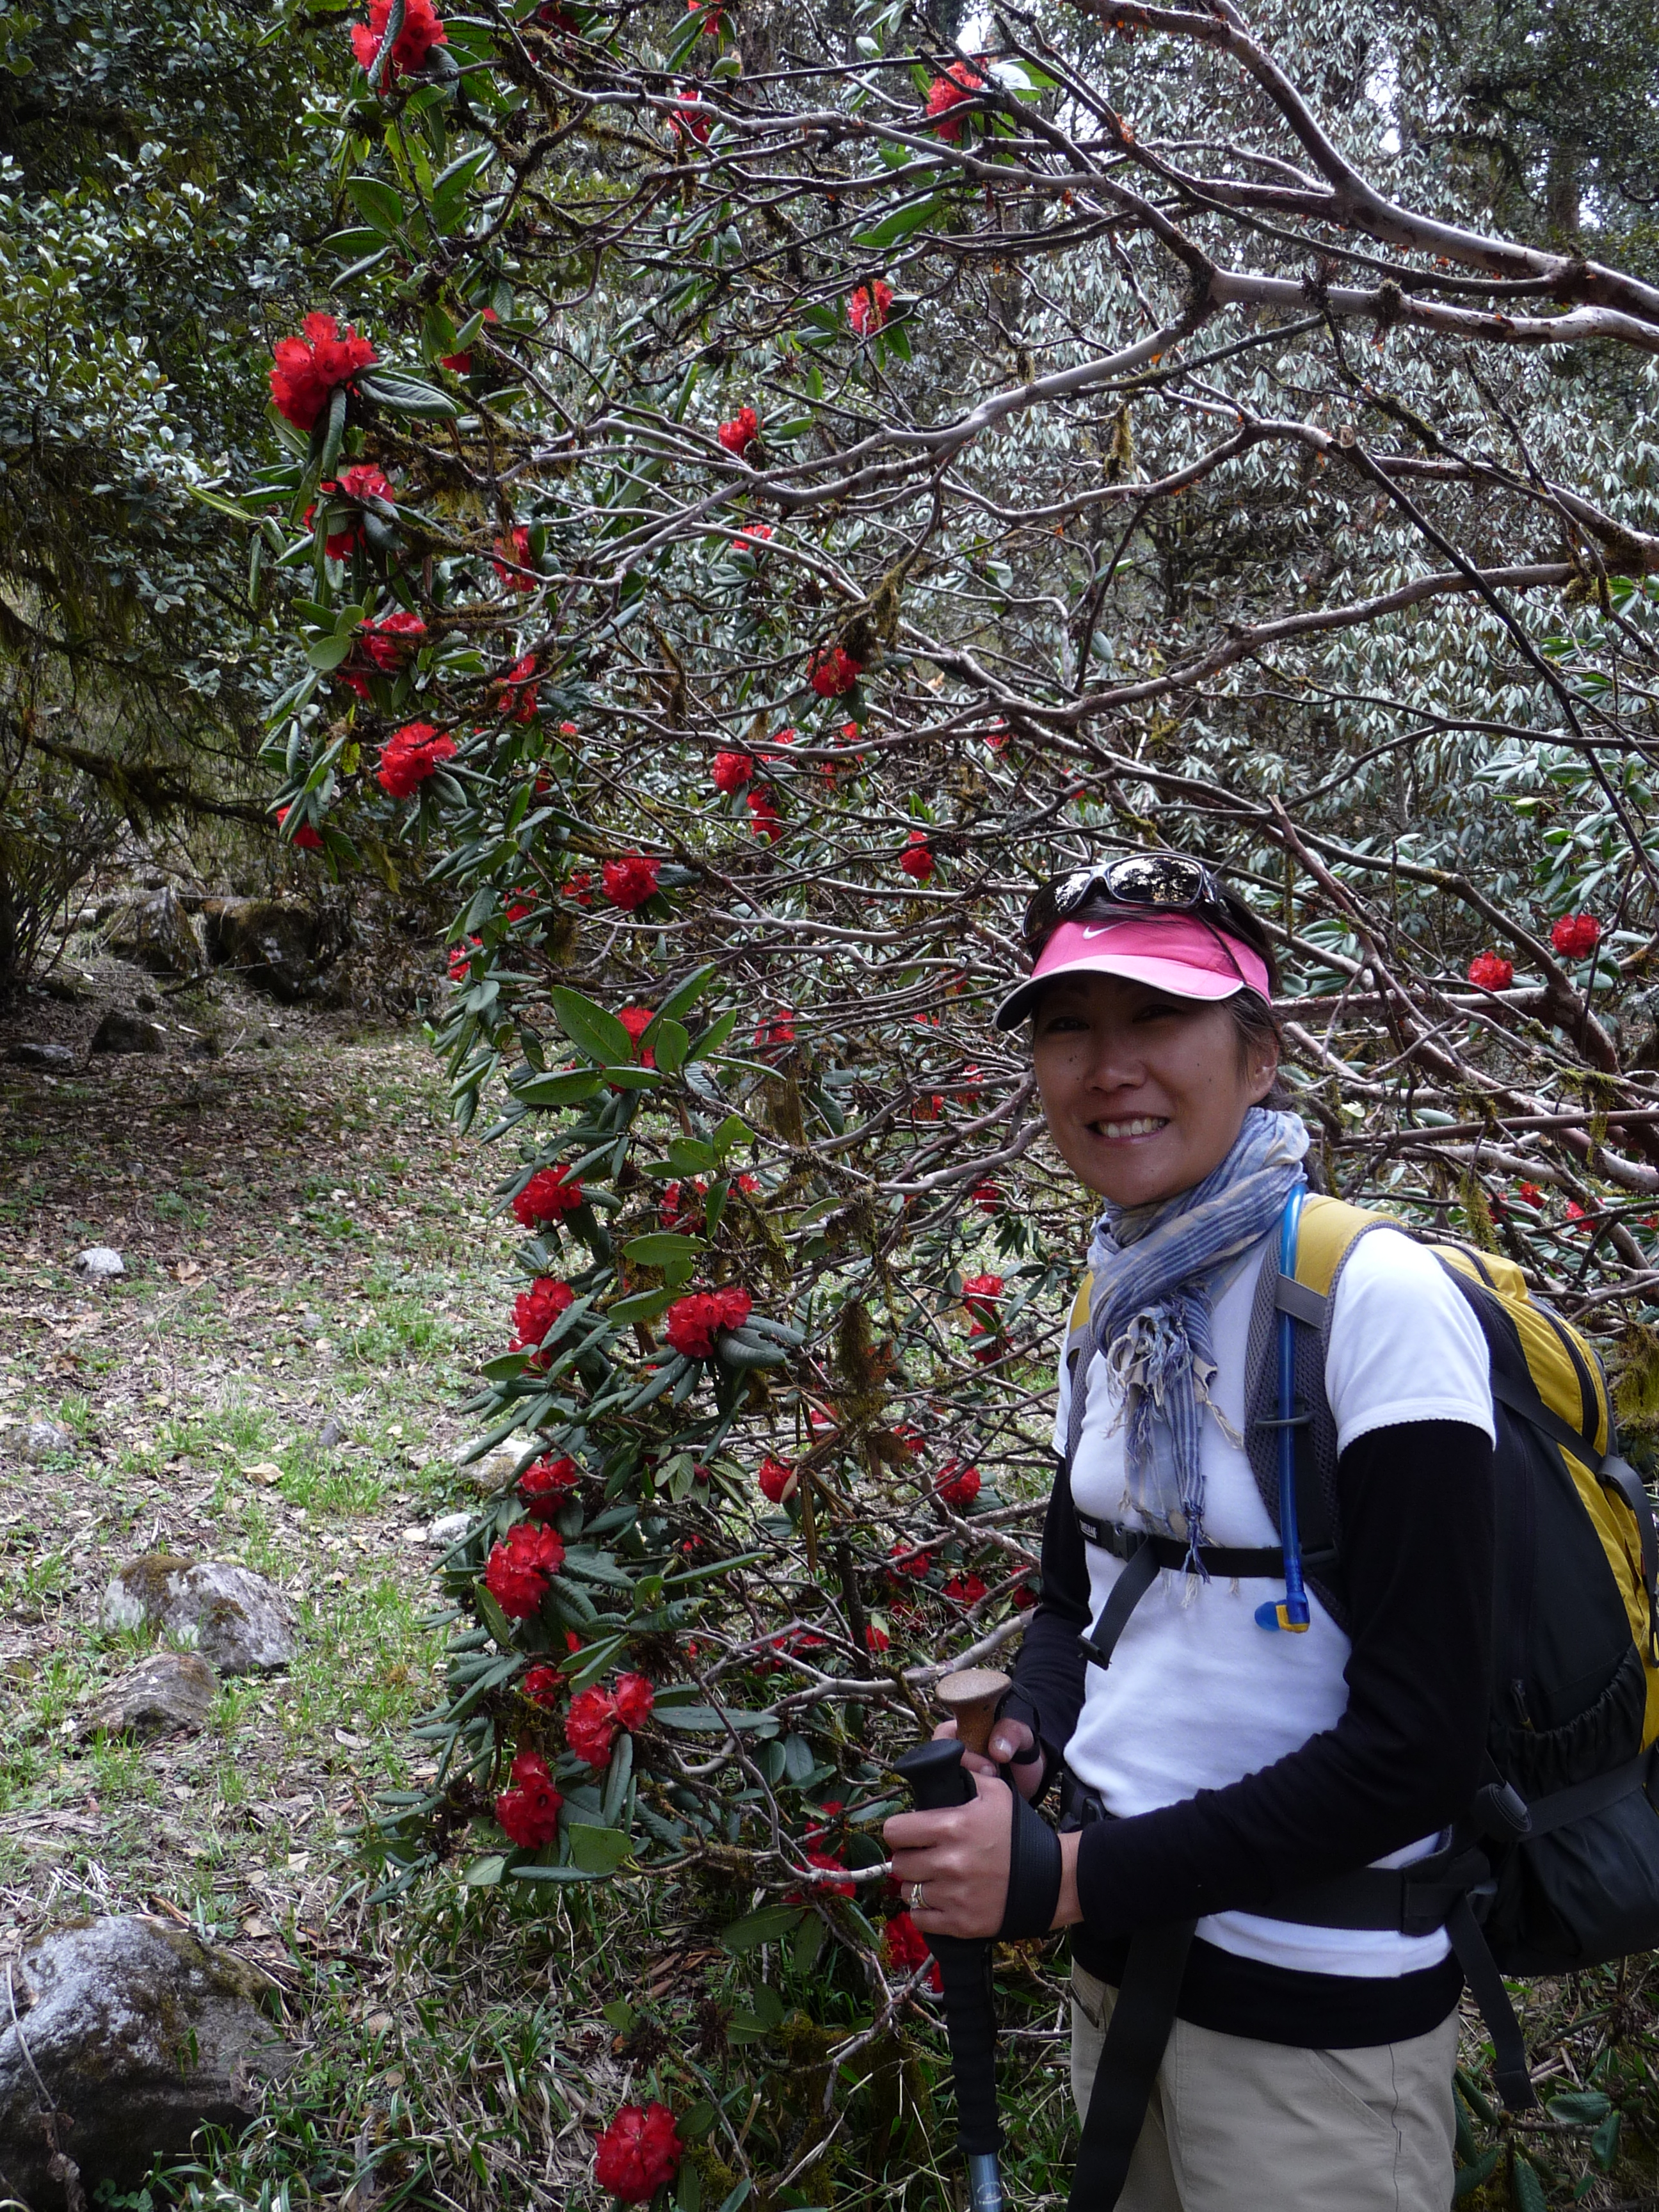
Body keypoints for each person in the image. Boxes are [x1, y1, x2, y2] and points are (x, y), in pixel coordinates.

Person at [884, 851, 1496, 2212]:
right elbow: (1080, 1603)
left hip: (1319, 2042)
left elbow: (1420, 1748)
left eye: (1158, 1015)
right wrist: (1031, 1734)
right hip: (1123, 1988)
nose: (1111, 1067)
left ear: (1260, 1054)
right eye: (1068, 1025)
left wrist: (1068, 1879)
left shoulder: (1375, 1302)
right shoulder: (1115, 1303)